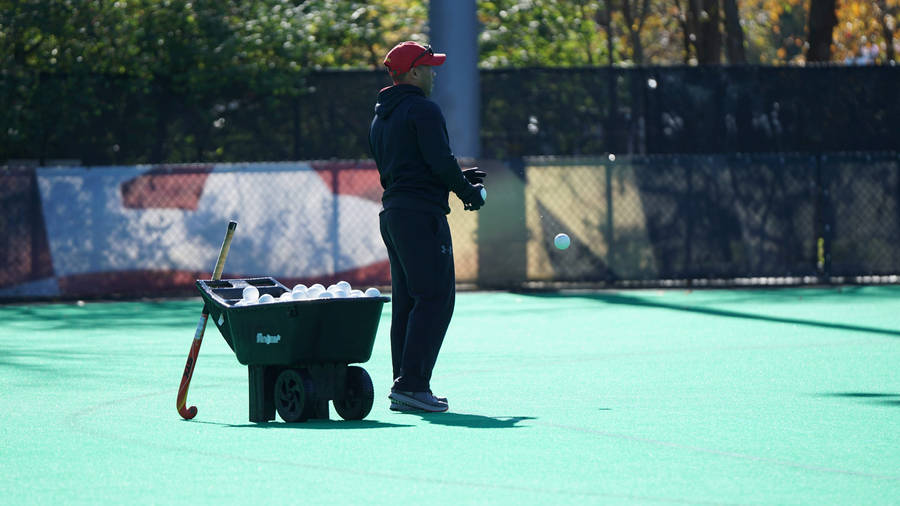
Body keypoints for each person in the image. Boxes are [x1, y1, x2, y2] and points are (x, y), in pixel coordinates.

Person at [368, 41, 486, 413]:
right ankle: (412, 384)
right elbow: (439, 159)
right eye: (428, 67)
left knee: (408, 301)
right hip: (421, 217)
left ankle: (403, 384)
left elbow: (411, 169)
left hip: (395, 215)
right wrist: (468, 192)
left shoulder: (381, 117)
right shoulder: (423, 109)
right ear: (413, 73)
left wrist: (456, 179)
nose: (433, 73)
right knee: (435, 298)